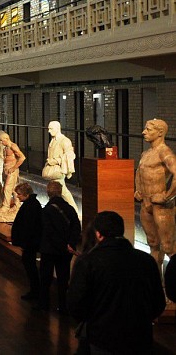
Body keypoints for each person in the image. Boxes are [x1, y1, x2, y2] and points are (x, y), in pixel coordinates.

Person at [67, 211, 165, 355]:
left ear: (98, 234)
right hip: (140, 337)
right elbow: (158, 302)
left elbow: (76, 304)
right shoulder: (146, 260)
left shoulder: (88, 261)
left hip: (102, 337)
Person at [135, 118, 176, 269]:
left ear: (160, 133)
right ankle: (157, 282)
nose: (143, 132)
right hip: (146, 203)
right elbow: (139, 172)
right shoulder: (146, 153)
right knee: (153, 243)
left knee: (168, 246)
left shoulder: (164, 152)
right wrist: (138, 190)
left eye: (148, 129)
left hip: (161, 206)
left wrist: (167, 196)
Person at [36, 180, 81, 313]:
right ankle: (63, 305)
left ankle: (44, 304)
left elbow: (49, 231)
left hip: (49, 250)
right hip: (65, 252)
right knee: (63, 279)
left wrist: (62, 245)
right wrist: (70, 244)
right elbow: (76, 227)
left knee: (45, 278)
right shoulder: (70, 208)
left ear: (48, 193)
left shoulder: (47, 210)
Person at [10, 182, 42, 301]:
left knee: (31, 268)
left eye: (19, 194)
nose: (17, 196)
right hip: (29, 244)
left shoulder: (31, 206)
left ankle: (35, 292)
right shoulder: (31, 204)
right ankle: (34, 291)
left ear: (26, 194)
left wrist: (24, 243)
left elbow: (29, 227)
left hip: (30, 245)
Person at [43, 121, 79, 216]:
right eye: (49, 129)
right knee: (56, 191)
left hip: (58, 170)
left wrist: (56, 160)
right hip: (52, 170)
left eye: (51, 129)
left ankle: (74, 211)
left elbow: (71, 155)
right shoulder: (53, 140)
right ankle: (60, 210)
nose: (49, 131)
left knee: (63, 191)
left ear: (57, 128)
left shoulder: (64, 141)